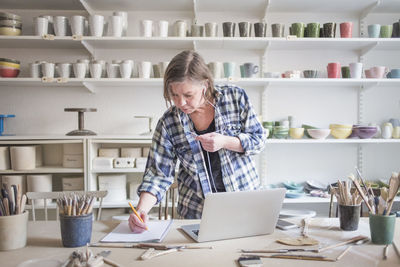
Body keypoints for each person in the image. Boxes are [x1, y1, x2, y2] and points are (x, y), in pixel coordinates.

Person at [129, 50, 268, 233]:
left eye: (188, 95)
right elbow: (158, 174)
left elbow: (258, 140)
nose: (181, 103)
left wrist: (225, 141)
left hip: (243, 204)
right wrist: (141, 210)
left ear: (205, 84)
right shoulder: (169, 122)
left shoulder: (235, 98)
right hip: (195, 212)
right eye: (174, 95)